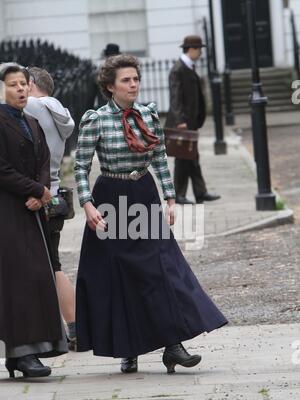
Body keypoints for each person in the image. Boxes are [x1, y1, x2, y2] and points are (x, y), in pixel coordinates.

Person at [74, 54, 227, 374]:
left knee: (162, 268)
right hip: (111, 200)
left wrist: (171, 198)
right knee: (122, 275)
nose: (134, 85)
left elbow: (159, 159)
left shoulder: (148, 115)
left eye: (136, 79)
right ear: (109, 86)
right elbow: (80, 167)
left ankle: (174, 345)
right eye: (126, 80)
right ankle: (128, 348)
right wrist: (87, 204)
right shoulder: (96, 120)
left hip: (144, 194)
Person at [0, 64, 68, 378]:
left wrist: (41, 192)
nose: (21, 90)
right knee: (19, 281)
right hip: (8, 210)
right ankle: (20, 354)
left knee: (39, 276)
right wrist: (35, 189)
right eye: (13, 85)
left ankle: (36, 349)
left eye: (24, 84)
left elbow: (44, 159)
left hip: (33, 209)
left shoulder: (31, 121)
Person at [25, 67, 76, 350]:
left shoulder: (34, 106)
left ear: (30, 84)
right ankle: (76, 327)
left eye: (21, 83)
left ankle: (49, 332)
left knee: (45, 267)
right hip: (55, 196)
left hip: (36, 196)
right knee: (53, 265)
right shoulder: (59, 112)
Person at [166, 35, 221, 205]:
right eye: (199, 49)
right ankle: (179, 195)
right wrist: (180, 120)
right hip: (183, 123)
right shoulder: (178, 69)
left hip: (190, 122)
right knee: (184, 158)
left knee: (192, 158)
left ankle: (200, 192)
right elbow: (175, 98)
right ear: (191, 49)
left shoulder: (188, 67)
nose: (201, 53)